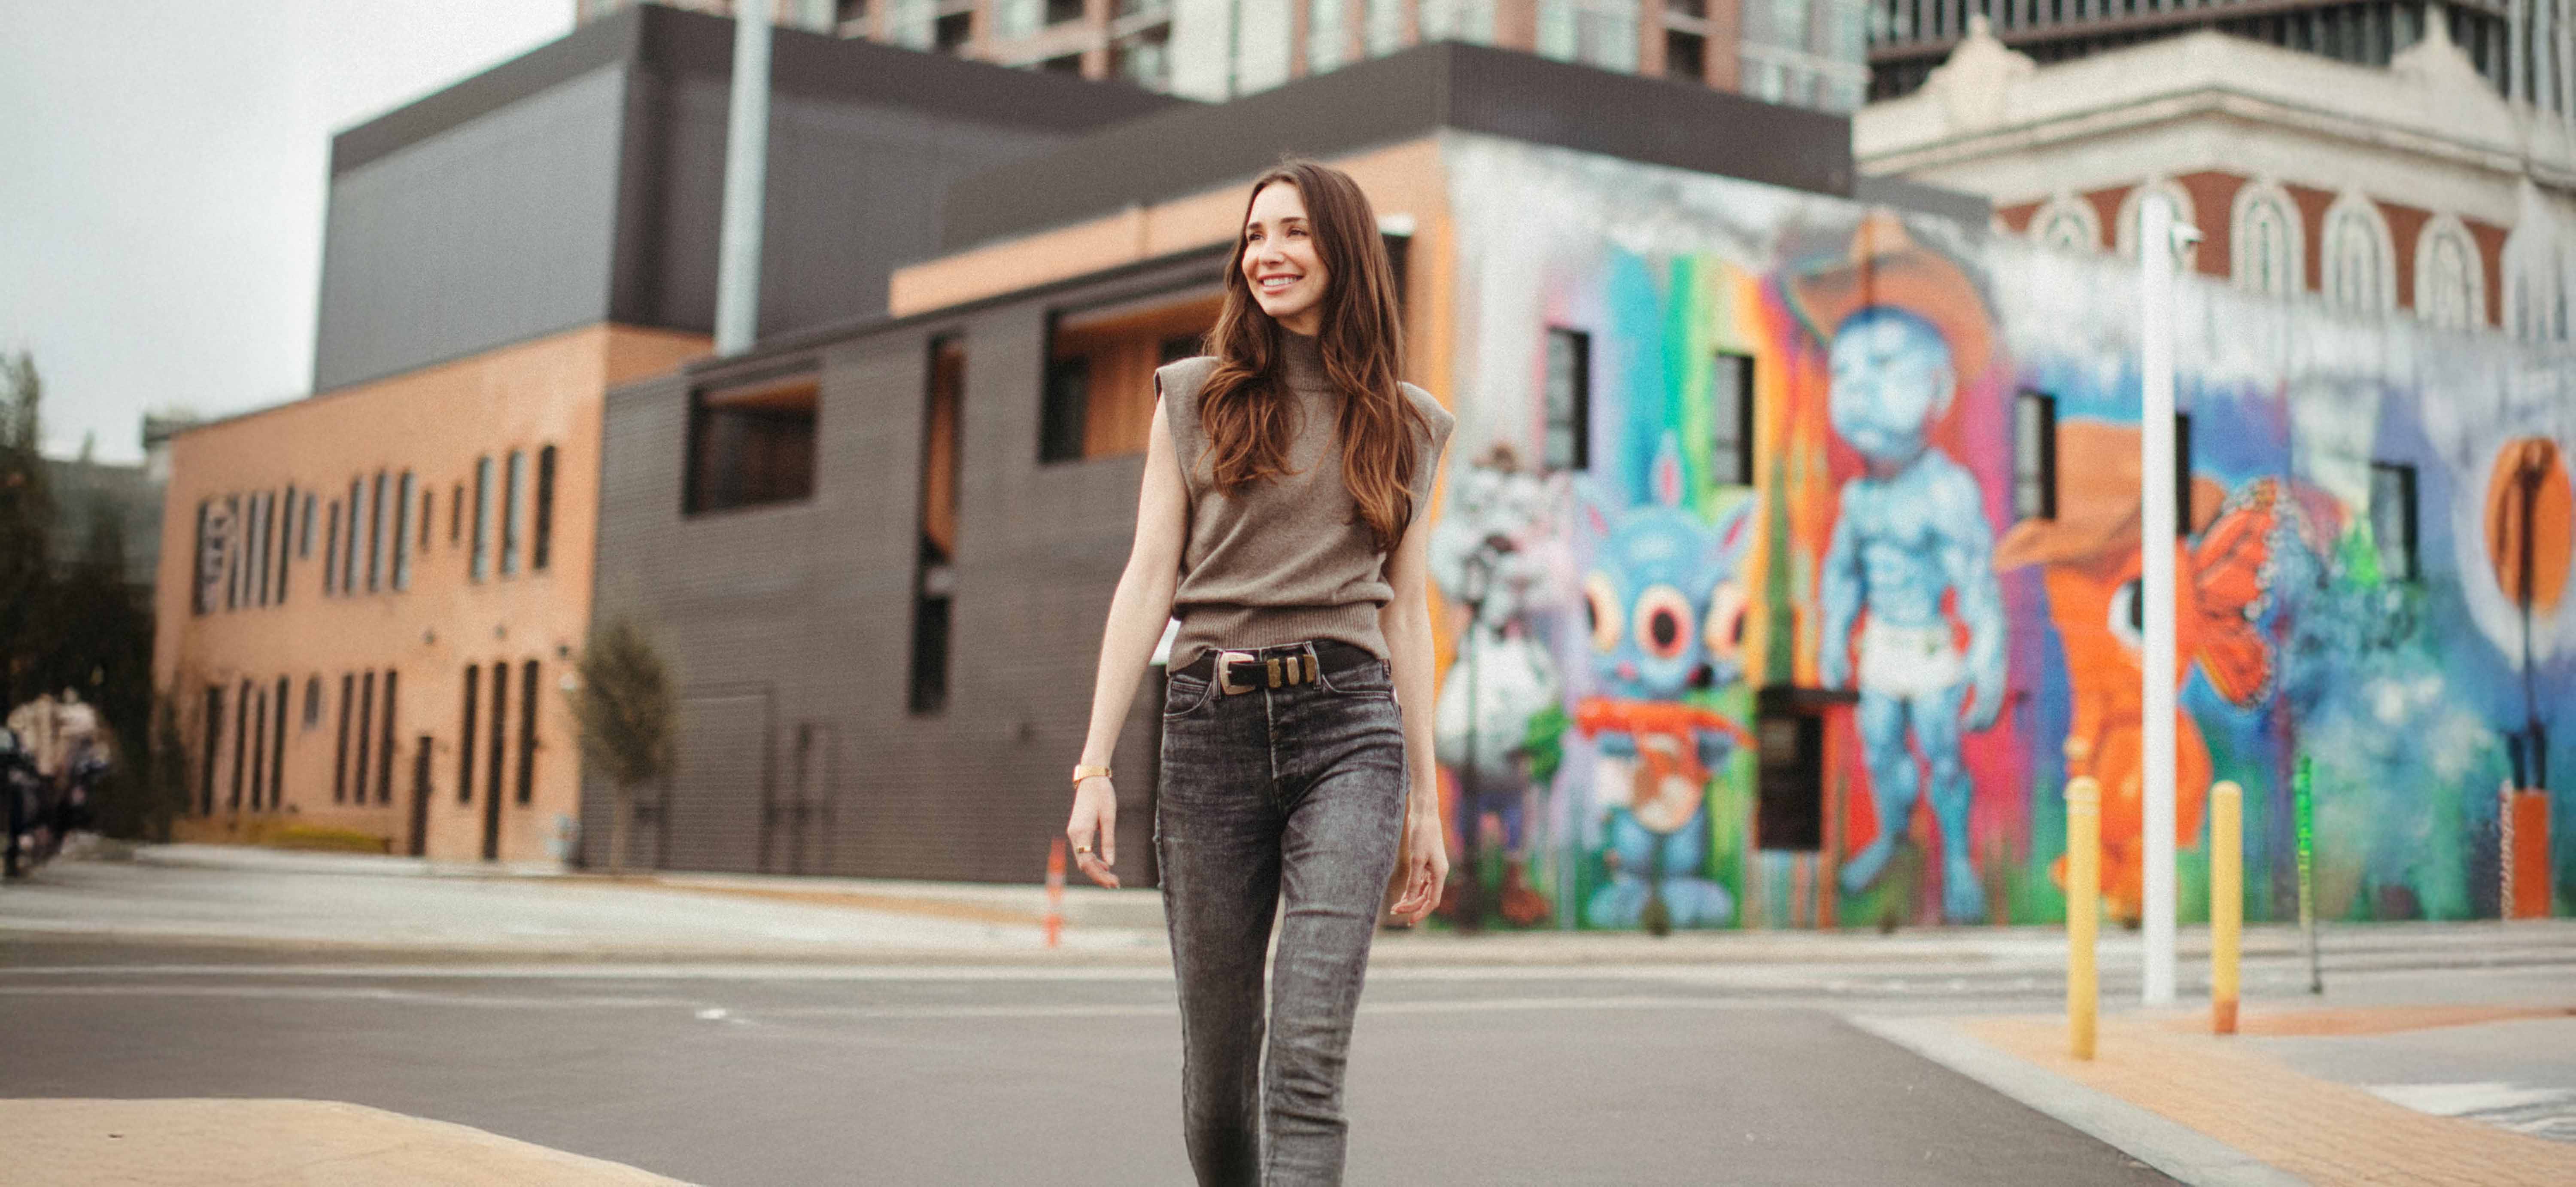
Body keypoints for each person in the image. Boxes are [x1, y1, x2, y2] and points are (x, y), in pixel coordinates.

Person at [1064, 158, 1455, 1186]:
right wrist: (1095, 761)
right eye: (1253, 236)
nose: (1267, 254)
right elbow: (1149, 575)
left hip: (1351, 731)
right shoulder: (1194, 399)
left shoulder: (1409, 424)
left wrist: (1425, 795)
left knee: (1309, 1053)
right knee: (1218, 1080)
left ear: (1343, 250)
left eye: (1292, 232)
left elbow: (1407, 610)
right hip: (1211, 727)